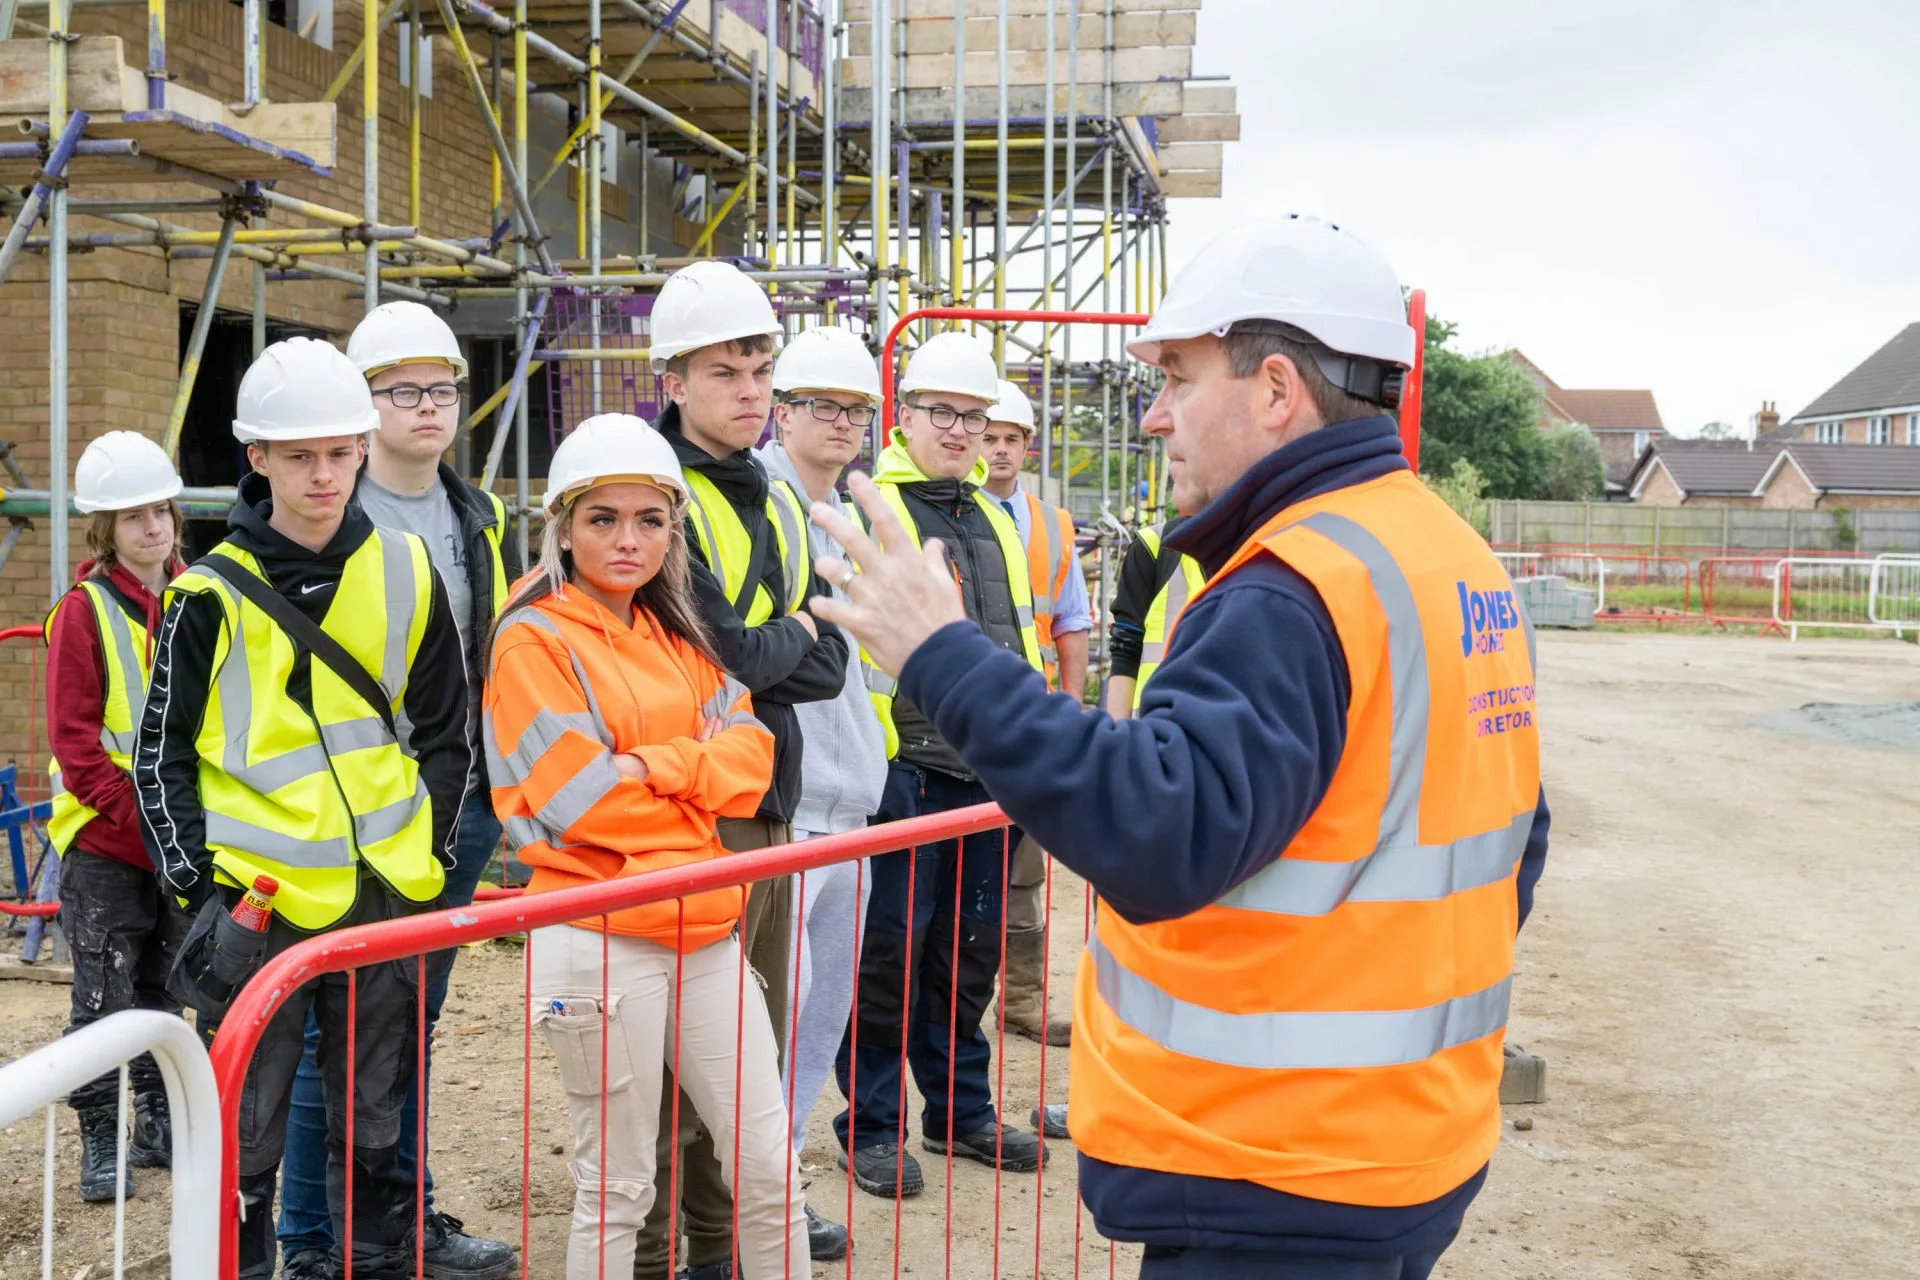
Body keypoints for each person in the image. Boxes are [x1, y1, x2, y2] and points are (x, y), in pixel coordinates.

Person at [805, 215, 1551, 1279]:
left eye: (1179, 378)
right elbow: (1512, 840)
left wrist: (940, 648)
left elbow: (1152, 827)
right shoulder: (1450, 555)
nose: (1153, 415)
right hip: (1406, 1140)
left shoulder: (1289, 590)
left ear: (1276, 390)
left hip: (1273, 1170)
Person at [137, 337, 472, 1280]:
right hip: (261, 906)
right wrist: (198, 889)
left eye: (339, 452)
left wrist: (434, 855)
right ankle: (244, 1266)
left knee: (376, 1111)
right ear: (258, 460)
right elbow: (156, 754)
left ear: (363, 448)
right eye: (299, 456)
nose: (323, 475)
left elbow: (448, 732)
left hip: (389, 891)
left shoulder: (407, 568)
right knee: (247, 1117)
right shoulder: (206, 596)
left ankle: (364, 1260)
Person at [485, 414, 807, 1280]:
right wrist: (692, 792)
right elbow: (581, 801)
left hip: (702, 932)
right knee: (618, 1187)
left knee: (772, 1172)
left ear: (673, 530)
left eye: (650, 520)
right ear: (561, 526)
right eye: (603, 519)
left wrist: (652, 766)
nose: (629, 539)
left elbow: (752, 755)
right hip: (598, 941)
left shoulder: (672, 634)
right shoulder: (532, 640)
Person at [271, 301, 518, 1279]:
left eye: (442, 385)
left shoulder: (476, 514)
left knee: (401, 1028)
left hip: (448, 812)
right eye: (401, 388)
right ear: (362, 406)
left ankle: (392, 1223)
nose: (428, 404)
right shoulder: (330, 510)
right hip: (342, 820)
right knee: (325, 1025)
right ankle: (305, 1238)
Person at [640, 259, 850, 1278]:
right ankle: (654, 1252)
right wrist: (795, 628)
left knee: (747, 1058)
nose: (752, 388)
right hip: (684, 818)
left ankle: (716, 1251)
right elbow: (735, 652)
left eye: (761, 365)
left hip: (767, 808)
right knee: (671, 1066)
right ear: (673, 379)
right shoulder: (654, 499)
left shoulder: (769, 500)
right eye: (727, 369)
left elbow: (827, 661)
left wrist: (789, 634)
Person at [832, 331, 1049, 1199]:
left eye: (973, 416)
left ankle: (959, 1111)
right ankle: (872, 1125)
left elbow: (1018, 635)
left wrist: (1028, 740)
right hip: (904, 768)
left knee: (970, 952)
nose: (959, 431)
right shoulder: (873, 505)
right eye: (943, 414)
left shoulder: (994, 512)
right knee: (889, 951)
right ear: (906, 415)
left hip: (986, 771)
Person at [752, 325, 890, 1261]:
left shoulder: (854, 515)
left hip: (852, 801)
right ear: (784, 410)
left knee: (818, 1014)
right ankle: (750, 1196)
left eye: (857, 411)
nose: (843, 424)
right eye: (825, 407)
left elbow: (873, 668)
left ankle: (784, 1179)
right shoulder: (755, 507)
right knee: (768, 1009)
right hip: (782, 800)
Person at [45, 430, 189, 1203]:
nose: (153, 527)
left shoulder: (197, 596)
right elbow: (77, 745)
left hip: (176, 837)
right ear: (106, 528)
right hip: (107, 842)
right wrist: (145, 823)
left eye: (161, 510)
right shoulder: (82, 613)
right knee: (102, 998)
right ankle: (101, 1145)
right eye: (134, 516)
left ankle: (157, 1128)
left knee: (168, 989)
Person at [978, 379, 1090, 1047]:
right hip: (962, 723)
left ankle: (1021, 1001)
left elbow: (1070, 622)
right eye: (987, 437)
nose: (996, 450)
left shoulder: (1051, 525)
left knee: (1023, 870)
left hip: (1031, 722)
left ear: (1027, 446)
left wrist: (1069, 707)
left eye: (1008, 440)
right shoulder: (951, 511)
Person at [1103, 519, 1204, 718]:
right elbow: (1125, 650)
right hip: (1153, 732)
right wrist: (1119, 739)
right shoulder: (1154, 546)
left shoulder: (1264, 549)